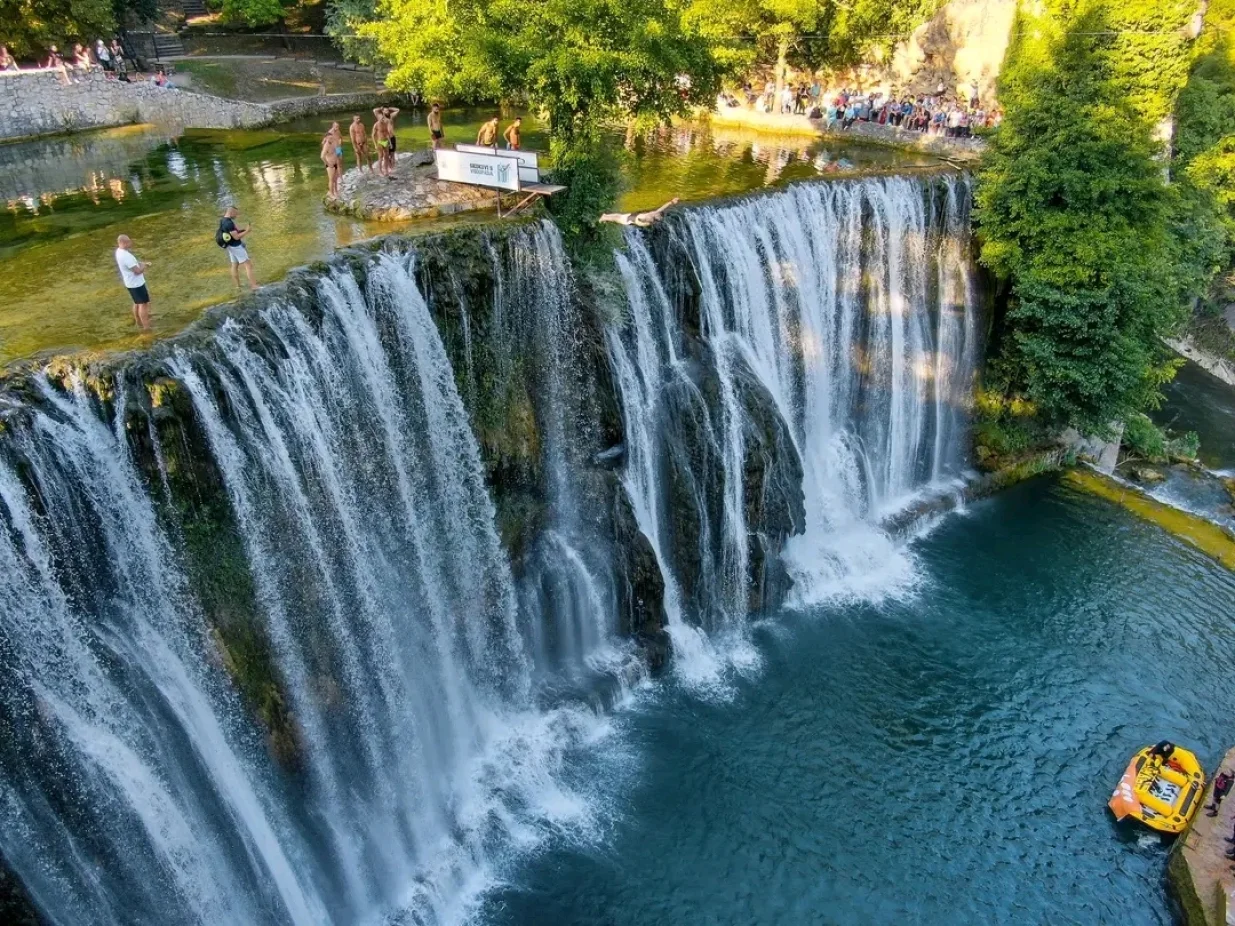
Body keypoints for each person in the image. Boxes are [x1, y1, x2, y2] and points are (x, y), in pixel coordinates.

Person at [114, 235, 152, 330]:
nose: (131, 243)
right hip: (136, 283)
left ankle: (138, 321)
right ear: (124, 243)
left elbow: (132, 264)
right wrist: (145, 265)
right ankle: (146, 327)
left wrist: (140, 263)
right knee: (144, 304)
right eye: (129, 242)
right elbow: (137, 271)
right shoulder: (126, 256)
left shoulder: (119, 252)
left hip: (130, 283)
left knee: (137, 302)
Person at [216, 206, 257, 291]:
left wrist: (243, 230)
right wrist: (247, 231)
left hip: (230, 246)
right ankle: (254, 286)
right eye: (236, 213)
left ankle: (238, 286)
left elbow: (232, 233)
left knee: (234, 265)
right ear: (231, 212)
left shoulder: (223, 220)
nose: (237, 215)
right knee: (248, 265)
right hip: (236, 246)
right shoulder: (229, 223)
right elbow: (236, 237)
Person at [599, 197, 680, 228]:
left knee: (619, 217)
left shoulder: (652, 219)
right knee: (618, 217)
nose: (656, 213)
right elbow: (663, 207)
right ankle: (604, 217)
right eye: (659, 216)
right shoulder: (656, 214)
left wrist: (641, 219)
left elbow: (643, 220)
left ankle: (605, 216)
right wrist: (671, 202)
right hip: (635, 217)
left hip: (635, 218)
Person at [320, 124, 343, 198]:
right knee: (331, 179)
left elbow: (337, 149)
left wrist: (339, 155)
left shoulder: (334, 142)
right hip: (330, 165)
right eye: (329, 138)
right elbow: (322, 156)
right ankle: (331, 193)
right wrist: (327, 164)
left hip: (335, 162)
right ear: (326, 138)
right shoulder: (326, 146)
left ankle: (336, 191)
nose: (330, 139)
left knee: (336, 179)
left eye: (331, 137)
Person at [372, 107, 394, 176]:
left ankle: (386, 169)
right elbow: (373, 135)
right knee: (380, 157)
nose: (382, 119)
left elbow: (387, 133)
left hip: (385, 141)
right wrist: (375, 144)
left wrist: (390, 143)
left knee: (386, 156)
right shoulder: (376, 125)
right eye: (381, 118)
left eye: (383, 118)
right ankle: (380, 171)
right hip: (379, 141)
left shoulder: (385, 124)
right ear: (378, 118)